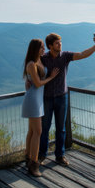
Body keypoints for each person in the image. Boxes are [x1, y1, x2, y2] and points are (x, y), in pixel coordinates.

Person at [38, 32, 95, 166]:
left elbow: (82, 54)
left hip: (62, 96)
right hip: (47, 98)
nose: (60, 44)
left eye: (60, 42)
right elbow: (31, 64)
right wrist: (28, 80)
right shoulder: (43, 58)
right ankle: (41, 155)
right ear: (50, 46)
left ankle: (60, 156)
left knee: (61, 129)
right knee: (44, 129)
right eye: (57, 43)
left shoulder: (65, 56)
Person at [22, 39, 59, 177]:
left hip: (37, 100)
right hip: (33, 100)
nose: (44, 49)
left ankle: (28, 158)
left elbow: (33, 79)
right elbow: (37, 84)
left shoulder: (39, 61)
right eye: (41, 47)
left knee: (32, 132)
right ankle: (34, 164)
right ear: (35, 49)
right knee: (38, 131)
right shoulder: (32, 64)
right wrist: (51, 77)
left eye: (44, 47)